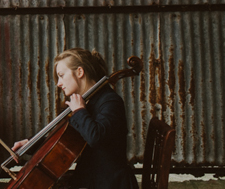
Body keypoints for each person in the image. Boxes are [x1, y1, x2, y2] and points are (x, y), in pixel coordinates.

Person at [12, 48, 137, 189]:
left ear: (79, 72)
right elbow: (65, 143)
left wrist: (79, 111)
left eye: (61, 75)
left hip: (110, 183)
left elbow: (96, 137)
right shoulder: (87, 102)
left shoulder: (109, 101)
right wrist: (30, 143)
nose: (58, 83)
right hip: (91, 179)